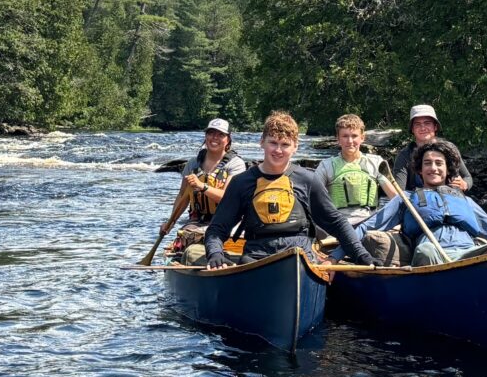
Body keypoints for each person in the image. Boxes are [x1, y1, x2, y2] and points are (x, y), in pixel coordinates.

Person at [202, 111, 374, 267]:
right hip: (256, 258)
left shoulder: (308, 180)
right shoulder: (241, 182)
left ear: (295, 147)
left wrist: (362, 255)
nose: (278, 150)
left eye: (285, 144)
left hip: (301, 258)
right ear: (262, 142)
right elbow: (217, 228)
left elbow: (336, 223)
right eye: (273, 143)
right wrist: (215, 253)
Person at [353, 145, 487, 266]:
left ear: (447, 170)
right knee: (426, 250)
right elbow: (366, 227)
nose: (433, 168)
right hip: (434, 255)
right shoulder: (406, 199)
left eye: (439, 163)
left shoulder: (465, 200)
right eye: (427, 163)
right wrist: (335, 256)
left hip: (469, 253)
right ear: (419, 170)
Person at [314, 112, 399, 262]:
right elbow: (314, 197)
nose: (350, 141)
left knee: (402, 202)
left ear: (362, 138)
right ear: (338, 139)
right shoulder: (326, 166)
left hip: (370, 221)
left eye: (354, 136)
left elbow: (395, 198)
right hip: (340, 225)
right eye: (345, 136)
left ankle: (337, 256)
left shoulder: (376, 162)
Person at [171, 118, 248, 265]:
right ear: (206, 136)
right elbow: (182, 196)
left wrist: (202, 186)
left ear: (228, 139)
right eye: (211, 133)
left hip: (228, 221)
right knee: (184, 241)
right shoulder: (193, 164)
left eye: (220, 135)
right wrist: (171, 222)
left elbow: (227, 198)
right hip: (198, 221)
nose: (215, 138)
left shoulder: (236, 164)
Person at [388, 103, 471, 193]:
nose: (423, 128)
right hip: (418, 204)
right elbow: (400, 193)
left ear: (435, 127)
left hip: (451, 201)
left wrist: (465, 184)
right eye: (418, 124)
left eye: (427, 123)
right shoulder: (404, 155)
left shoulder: (450, 149)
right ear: (412, 129)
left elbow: (467, 177)